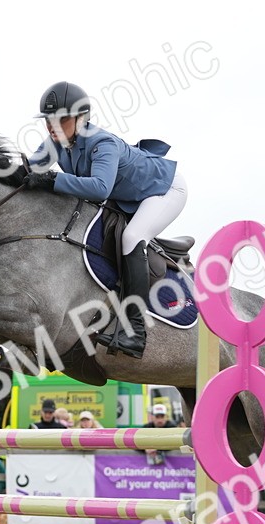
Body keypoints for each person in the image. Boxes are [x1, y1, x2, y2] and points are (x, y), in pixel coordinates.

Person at [24, 81, 187, 359]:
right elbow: (30, 169)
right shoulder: (56, 143)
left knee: (132, 237)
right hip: (129, 194)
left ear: (81, 118)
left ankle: (135, 330)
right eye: (48, 120)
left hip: (164, 189)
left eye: (60, 119)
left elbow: (100, 187)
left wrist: (52, 179)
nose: (52, 126)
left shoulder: (102, 142)